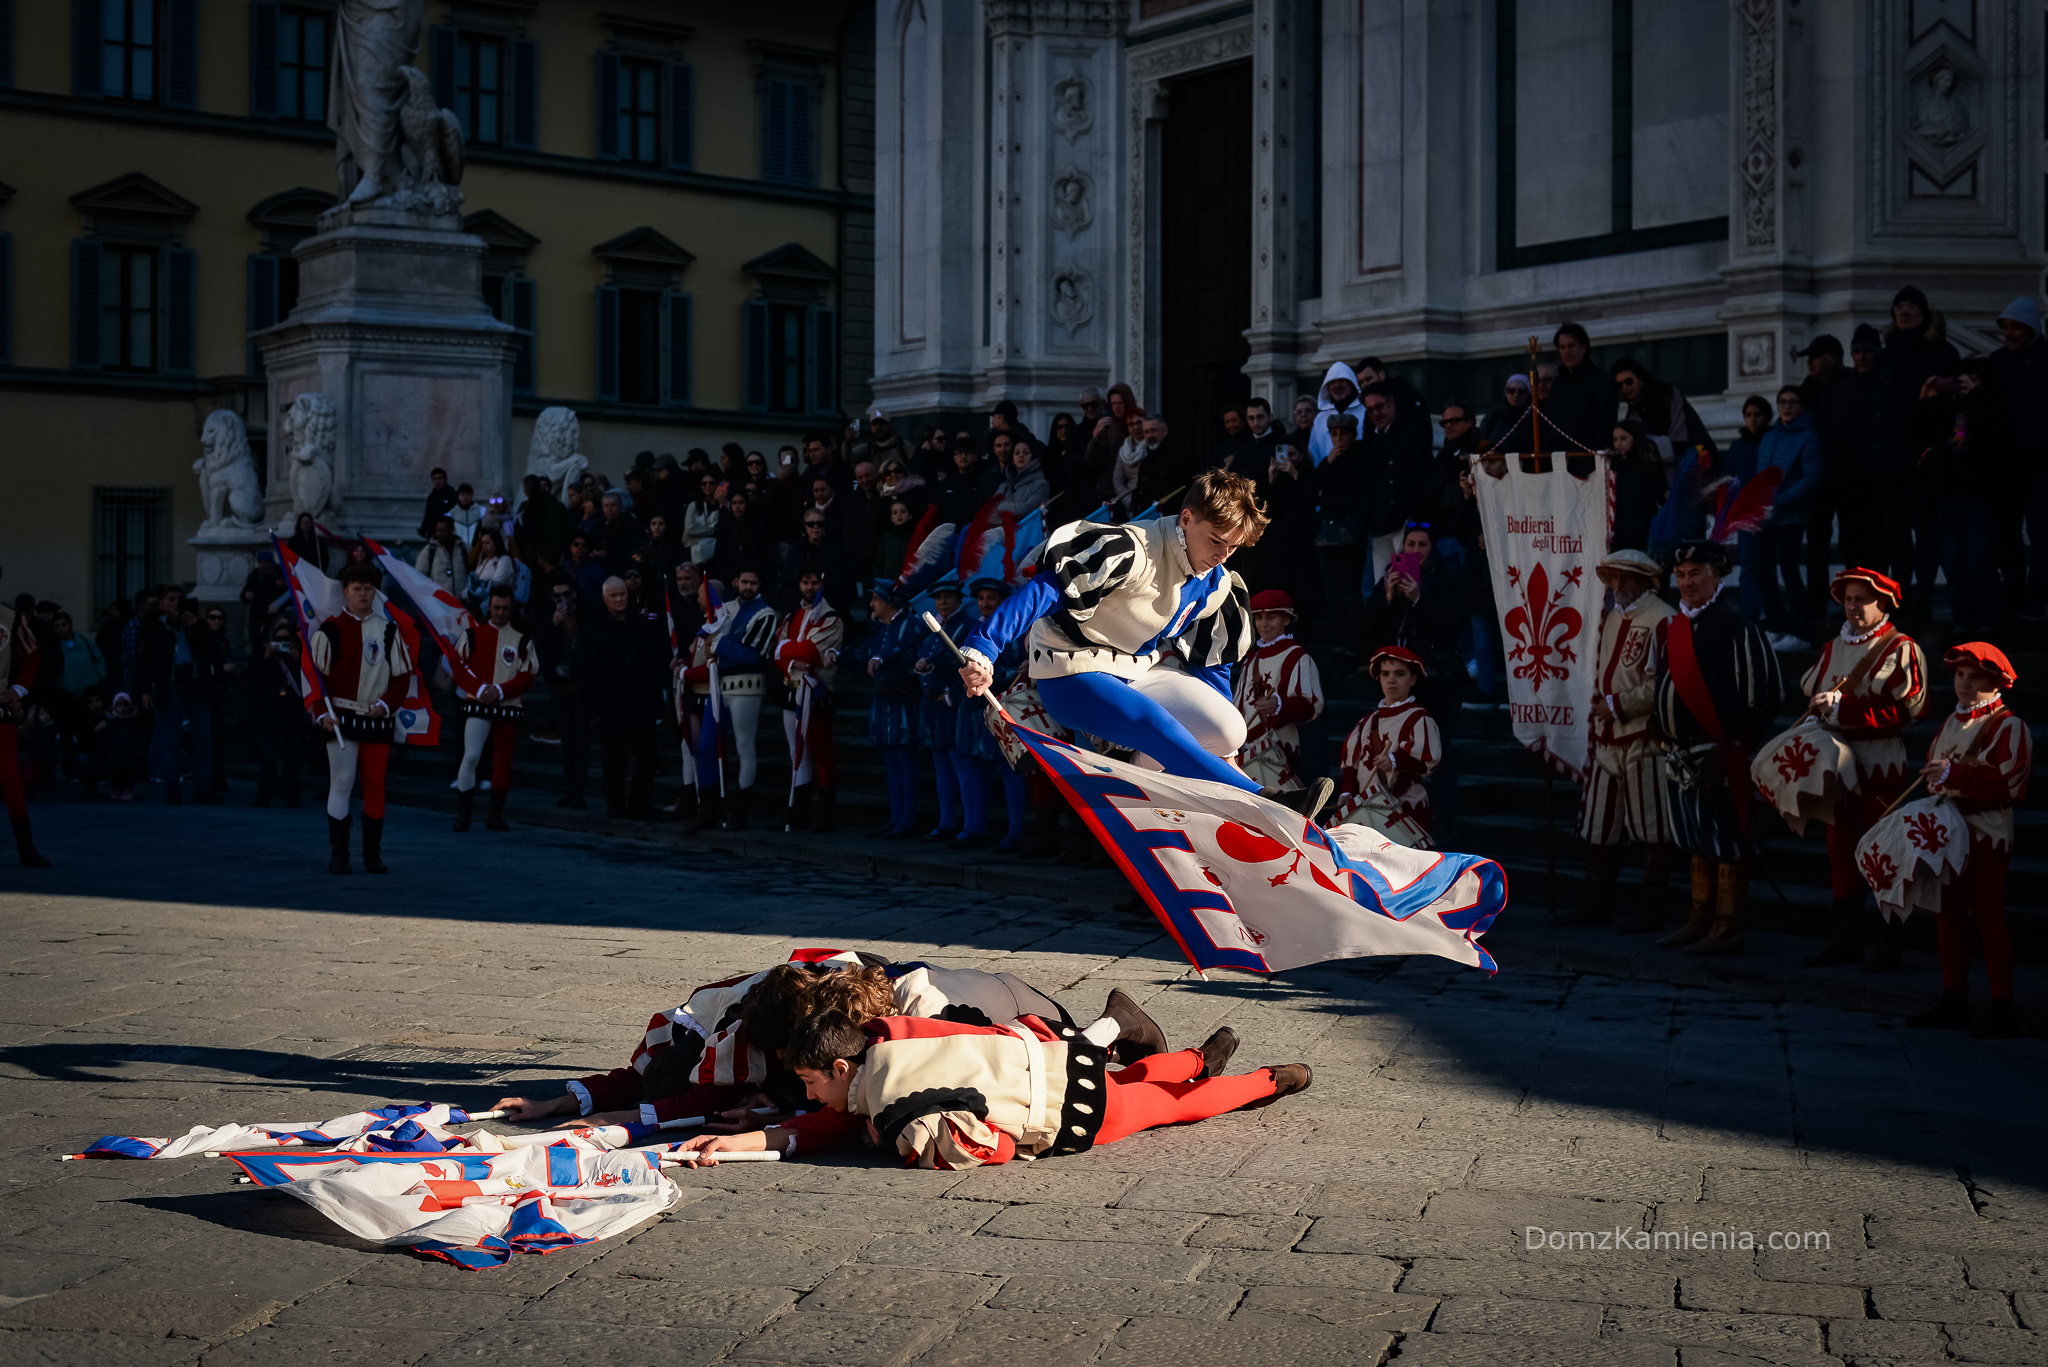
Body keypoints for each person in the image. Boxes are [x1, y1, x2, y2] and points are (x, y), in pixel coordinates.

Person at [958, 470, 1331, 817]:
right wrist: (984, 648)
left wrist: (1224, 754)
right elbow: (1044, 591)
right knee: (1154, 722)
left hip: (1135, 669)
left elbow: (1213, 661)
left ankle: (1130, 773)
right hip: (1069, 668)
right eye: (1216, 541)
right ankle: (1262, 800)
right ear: (1186, 519)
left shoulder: (1216, 584)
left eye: (1232, 548)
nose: (1221, 555)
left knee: (1229, 729)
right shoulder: (1131, 548)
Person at [673, 1006, 1310, 1170]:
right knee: (1135, 1083)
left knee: (1168, 1111)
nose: (809, 1096)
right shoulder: (893, 1036)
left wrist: (884, 1140)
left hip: (1068, 1111)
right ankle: (1196, 1056)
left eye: (811, 1083)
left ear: (842, 1068)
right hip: (1056, 1063)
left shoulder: (892, 1112)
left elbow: (993, 1151)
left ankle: (1264, 1080)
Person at [1652, 541, 1784, 957]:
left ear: (1717, 577)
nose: (1687, 582)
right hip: (1681, 755)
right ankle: (1700, 919)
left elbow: (1763, 693)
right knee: (1696, 839)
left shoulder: (1735, 624)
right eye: (1681, 575)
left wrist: (1735, 746)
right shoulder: (1677, 626)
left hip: (1717, 756)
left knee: (1726, 839)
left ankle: (1728, 926)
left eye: (1696, 573)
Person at [1795, 568, 1928, 971]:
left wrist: (1845, 708)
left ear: (1883, 603)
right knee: (1840, 852)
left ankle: (1888, 944)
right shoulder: (1834, 646)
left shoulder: (1901, 647)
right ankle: (1846, 940)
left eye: (1862, 600)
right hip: (1837, 767)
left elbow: (1911, 709)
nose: (1853, 606)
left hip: (1880, 765)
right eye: (1849, 599)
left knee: (1884, 851)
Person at [1901, 643, 2029, 1039]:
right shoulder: (1951, 722)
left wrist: (1956, 775)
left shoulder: (2010, 725)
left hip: (1985, 832)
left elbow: (2011, 783)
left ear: (1995, 683)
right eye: (1959, 675)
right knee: (1949, 914)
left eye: (1974, 677)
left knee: (1988, 917)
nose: (1964, 684)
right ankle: (1954, 997)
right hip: (1947, 831)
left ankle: (2002, 1004)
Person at [1568, 550, 1676, 932]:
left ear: (1646, 580)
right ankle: (1596, 902)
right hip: (1607, 738)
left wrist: (1616, 705)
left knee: (1651, 824)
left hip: (1644, 736)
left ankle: (1651, 908)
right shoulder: (1614, 616)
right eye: (1613, 578)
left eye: (1625, 579)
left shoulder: (1664, 619)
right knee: (1600, 823)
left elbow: (1665, 683)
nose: (1617, 586)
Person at [309, 561, 412, 875]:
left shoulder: (389, 630)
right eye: (357, 589)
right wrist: (321, 712)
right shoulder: (329, 630)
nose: (364, 594)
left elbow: (402, 677)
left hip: (377, 717)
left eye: (368, 588)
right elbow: (314, 679)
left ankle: (372, 856)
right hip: (339, 718)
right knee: (341, 782)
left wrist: (386, 704)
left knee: (375, 785)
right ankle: (339, 856)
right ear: (345, 592)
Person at [1871, 285, 1960, 606]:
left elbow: (1952, 407)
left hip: (1925, 463)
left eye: (1911, 306)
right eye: (1900, 307)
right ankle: (1900, 599)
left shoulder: (1941, 353)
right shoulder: (1885, 357)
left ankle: (1922, 599)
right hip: (1887, 463)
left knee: (1926, 536)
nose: (1905, 312)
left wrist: (1924, 405)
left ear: (1924, 313)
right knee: (1896, 538)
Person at [121, 584, 225, 806]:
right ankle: (173, 787)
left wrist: (197, 627)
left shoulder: (196, 626)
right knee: (170, 739)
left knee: (204, 741)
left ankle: (203, 789)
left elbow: (212, 651)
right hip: (170, 686)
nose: (177, 603)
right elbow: (146, 662)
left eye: (179, 599)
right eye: (171, 599)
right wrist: (146, 690)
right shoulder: (154, 628)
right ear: (161, 604)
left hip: (196, 686)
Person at [448, 585, 538, 834]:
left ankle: (494, 815)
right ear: (489, 606)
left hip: (507, 705)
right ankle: (463, 814)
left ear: (512, 609)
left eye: (505, 608)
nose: (500, 612)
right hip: (478, 703)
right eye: (496, 607)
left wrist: (498, 691)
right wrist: (480, 690)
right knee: (472, 756)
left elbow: (527, 676)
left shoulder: (521, 640)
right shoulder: (472, 635)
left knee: (503, 760)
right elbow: (458, 669)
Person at [1334, 646, 1440, 845]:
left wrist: (1396, 760)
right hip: (1367, 812)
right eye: (1385, 674)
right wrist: (1347, 793)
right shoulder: (1366, 723)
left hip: (1405, 809)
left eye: (1399, 674)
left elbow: (1428, 760)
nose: (1391, 680)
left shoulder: (1419, 719)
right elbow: (1351, 766)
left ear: (1413, 679)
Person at [1358, 521, 1465, 721]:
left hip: (1430, 676)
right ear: (1403, 547)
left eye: (1423, 545)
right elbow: (1366, 628)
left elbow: (1449, 627)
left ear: (1432, 548)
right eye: (1411, 544)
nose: (1416, 550)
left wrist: (1418, 599)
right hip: (1394, 673)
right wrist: (1387, 597)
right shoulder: (1390, 577)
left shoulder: (1445, 581)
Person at [1983, 298, 2048, 620]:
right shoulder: (1996, 362)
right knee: (2006, 534)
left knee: (2040, 533)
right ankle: (2012, 596)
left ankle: (2035, 599)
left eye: (2016, 327)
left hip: (2039, 465)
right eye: (2005, 327)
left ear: (2030, 329)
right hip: (2006, 466)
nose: (2009, 333)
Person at [583, 576, 665, 821]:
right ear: (604, 598)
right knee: (614, 760)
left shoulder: (639, 621)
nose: (619, 600)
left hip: (640, 701)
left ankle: (640, 802)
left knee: (647, 756)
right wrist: (593, 709)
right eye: (614, 596)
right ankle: (616, 803)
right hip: (610, 704)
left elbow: (652, 660)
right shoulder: (594, 625)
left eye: (622, 595)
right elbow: (587, 669)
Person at [962, 578, 1032, 855]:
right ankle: (976, 827)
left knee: (1009, 771)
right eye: (981, 598)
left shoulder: (1015, 633)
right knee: (976, 768)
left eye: (991, 598)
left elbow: (1019, 670)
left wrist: (996, 677)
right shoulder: (970, 629)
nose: (985, 603)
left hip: (1007, 711)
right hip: (974, 711)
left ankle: (1015, 832)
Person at [1753, 386, 1823, 650]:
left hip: (1792, 515)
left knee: (1789, 570)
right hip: (1766, 516)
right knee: (1762, 569)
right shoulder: (1770, 436)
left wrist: (1777, 501)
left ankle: (1800, 630)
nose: (1787, 406)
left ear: (1802, 406)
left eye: (1793, 402)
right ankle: (1775, 624)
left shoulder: (1809, 437)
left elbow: (1811, 478)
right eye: (1783, 401)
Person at [1232, 590, 1323, 792]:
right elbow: (1237, 706)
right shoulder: (1250, 660)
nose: (1264, 624)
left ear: (1286, 619)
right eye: (1259, 617)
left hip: (1279, 752)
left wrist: (1279, 705)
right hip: (1246, 750)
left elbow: (1312, 706)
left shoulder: (1297, 657)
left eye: (1271, 617)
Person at [775, 568, 844, 834]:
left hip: (817, 693)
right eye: (806, 581)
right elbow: (775, 652)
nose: (810, 586)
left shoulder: (830, 617)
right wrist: (790, 658)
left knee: (822, 753)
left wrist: (787, 652)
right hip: (791, 689)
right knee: (797, 755)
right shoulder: (793, 615)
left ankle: (825, 816)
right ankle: (797, 813)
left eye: (815, 582)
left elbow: (810, 651)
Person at [710, 568, 778, 831]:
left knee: (744, 747)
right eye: (744, 581)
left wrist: (720, 644)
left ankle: (739, 812)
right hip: (720, 684)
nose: (748, 586)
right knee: (719, 747)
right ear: (735, 582)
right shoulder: (725, 608)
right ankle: (721, 806)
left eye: (753, 581)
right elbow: (708, 637)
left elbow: (754, 655)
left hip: (746, 685)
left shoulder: (766, 613)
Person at [864, 583, 924, 837]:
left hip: (903, 703)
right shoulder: (879, 626)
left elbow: (913, 662)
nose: (871, 604)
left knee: (905, 760)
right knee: (891, 761)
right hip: (883, 702)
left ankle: (907, 819)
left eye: (876, 599)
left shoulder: (912, 625)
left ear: (889, 602)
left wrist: (884, 660)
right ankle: (895, 817)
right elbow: (863, 654)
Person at [916, 582, 974, 843]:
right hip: (933, 706)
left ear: (959, 599)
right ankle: (946, 821)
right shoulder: (933, 629)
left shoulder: (968, 626)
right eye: (938, 597)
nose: (942, 602)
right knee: (941, 766)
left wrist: (951, 689)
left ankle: (970, 825)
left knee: (961, 766)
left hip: (953, 705)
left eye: (948, 597)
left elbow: (967, 661)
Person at [1, 601, 49, 866]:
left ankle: (25, 846)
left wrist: (19, 689)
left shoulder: (11, 618)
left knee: (10, 779)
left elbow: (32, 656)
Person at [250, 614, 308, 810]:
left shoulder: (299, 656)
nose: (282, 644)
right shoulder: (265, 656)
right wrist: (265, 657)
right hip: (270, 714)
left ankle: (292, 795)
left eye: (286, 640)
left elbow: (308, 684)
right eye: (279, 640)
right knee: (268, 757)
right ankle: (264, 793)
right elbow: (254, 682)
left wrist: (298, 660)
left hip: (293, 716)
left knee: (293, 758)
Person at [1545, 324, 1620, 453]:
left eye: (1572, 346)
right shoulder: (1557, 384)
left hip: (1589, 459)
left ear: (1584, 347)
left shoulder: (1601, 380)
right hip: (1561, 460)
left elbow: (1606, 423)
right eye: (1562, 347)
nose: (1567, 352)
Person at [1305, 362, 1367, 466]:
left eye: (1341, 381)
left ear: (1351, 383)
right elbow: (1313, 452)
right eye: (1332, 382)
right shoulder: (1320, 419)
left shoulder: (1365, 412)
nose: (1337, 386)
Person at [1481, 374, 1534, 450]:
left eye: (1521, 391)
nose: (1516, 395)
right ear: (1506, 393)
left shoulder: (1533, 415)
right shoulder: (1495, 415)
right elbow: (1483, 438)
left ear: (1528, 393)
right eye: (1511, 391)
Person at [415, 516, 463, 596]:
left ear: (451, 530)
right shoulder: (428, 551)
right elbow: (419, 577)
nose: (439, 533)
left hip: (461, 603)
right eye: (437, 530)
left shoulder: (463, 548)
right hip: (439, 603)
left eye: (443, 530)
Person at [417, 467, 457, 538]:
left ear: (445, 480)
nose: (437, 481)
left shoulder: (452, 495)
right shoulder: (431, 498)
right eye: (435, 479)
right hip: (433, 533)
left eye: (439, 478)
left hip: (448, 533)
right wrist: (423, 528)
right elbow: (428, 515)